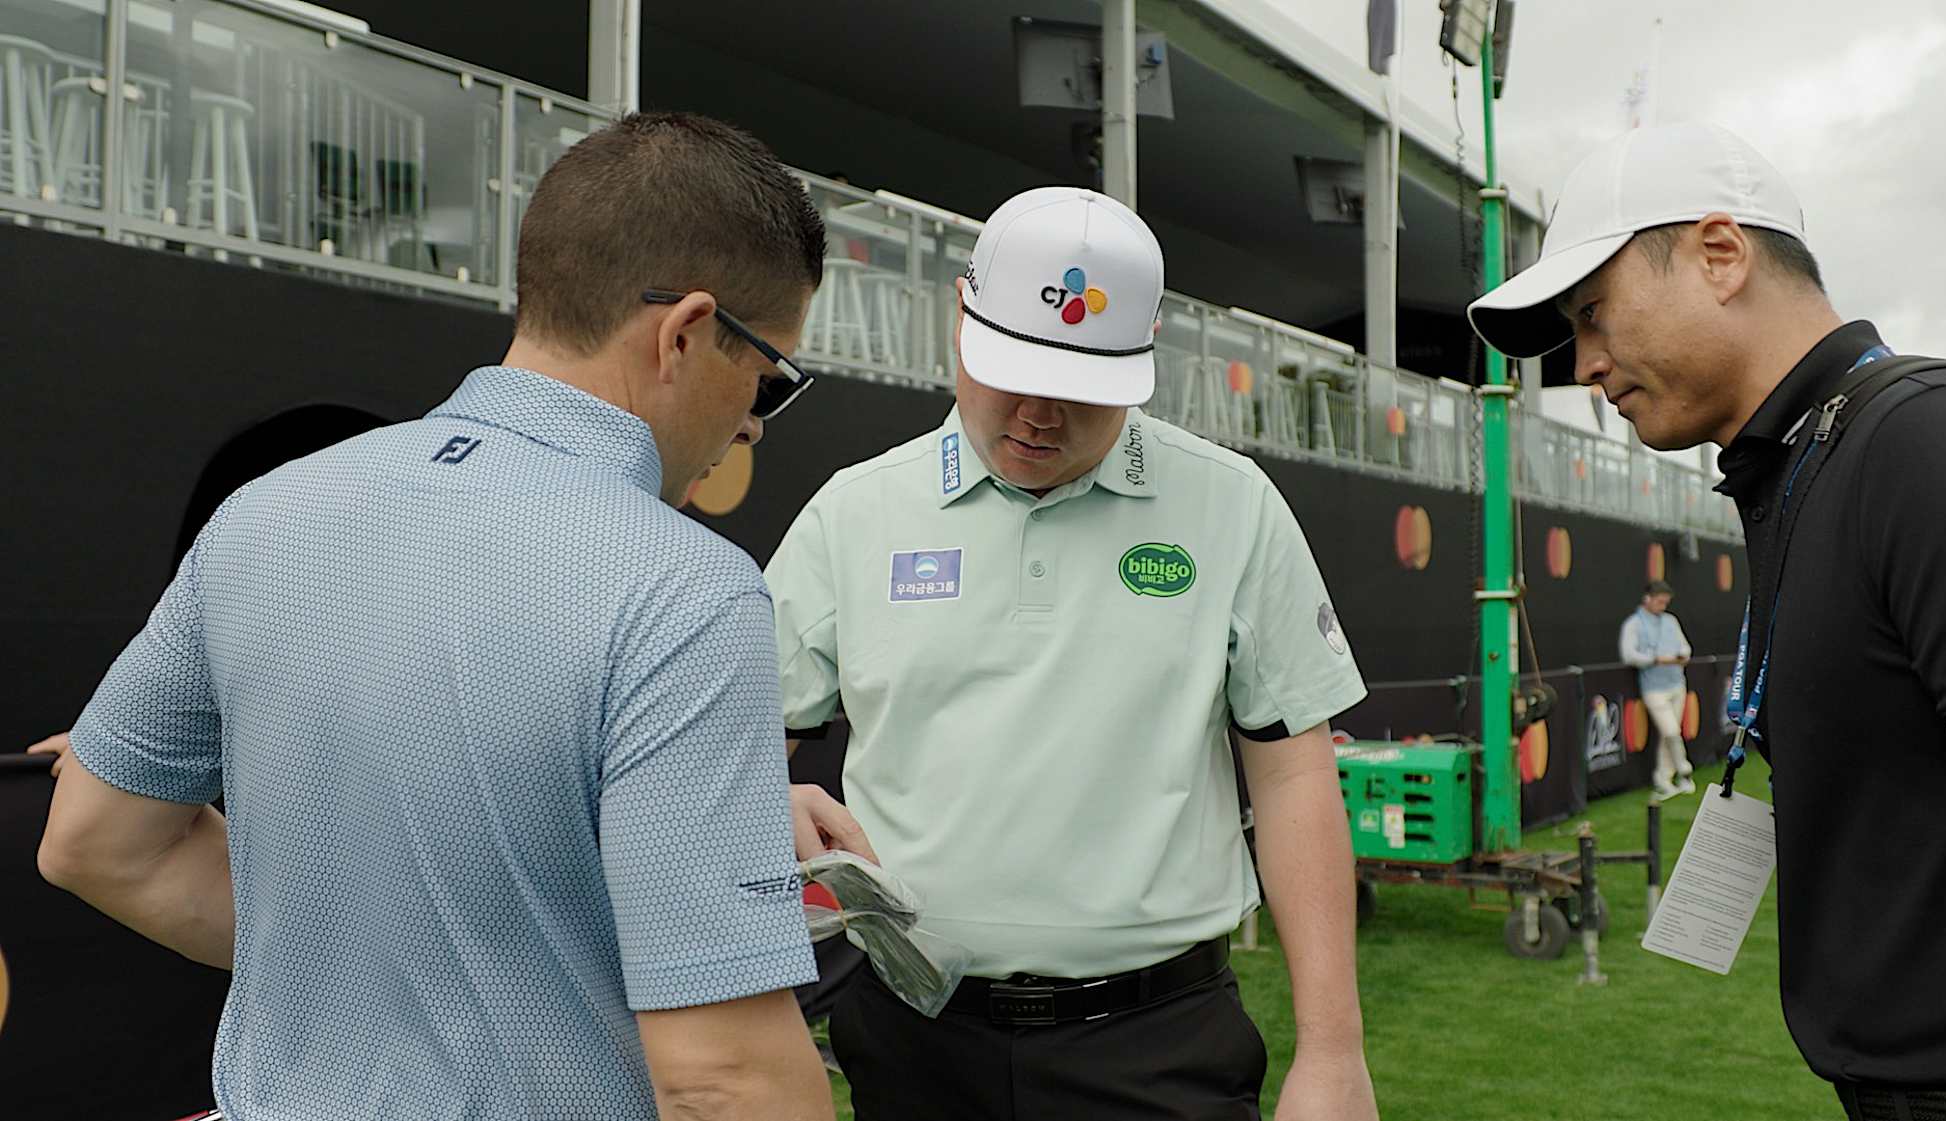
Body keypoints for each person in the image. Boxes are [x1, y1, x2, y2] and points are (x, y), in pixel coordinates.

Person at [34, 112, 834, 1121]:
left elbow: (98, 839)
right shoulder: (686, 590)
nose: (752, 421)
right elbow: (726, 1081)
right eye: (768, 377)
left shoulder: (266, 511)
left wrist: (390, 955)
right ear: (683, 332)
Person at [773, 185, 1377, 1121]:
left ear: (1145, 358)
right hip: (910, 1041)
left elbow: (1295, 777)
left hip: (1159, 1046)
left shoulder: (1233, 504)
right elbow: (734, 759)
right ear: (960, 316)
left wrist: (1334, 1053)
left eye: (1082, 389)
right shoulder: (853, 512)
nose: (1039, 414)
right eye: (1012, 369)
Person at [1469, 121, 1946, 1119]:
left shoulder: (1921, 442)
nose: (1581, 364)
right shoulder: (1812, 465)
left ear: (1720, 254)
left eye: (1594, 314)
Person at [1618, 579, 1694, 798]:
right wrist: (1654, 659)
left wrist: (1682, 655)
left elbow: (1685, 646)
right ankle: (1685, 771)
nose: (1663, 606)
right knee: (1671, 731)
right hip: (1654, 688)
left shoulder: (1671, 620)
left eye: (1666, 602)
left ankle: (1664, 779)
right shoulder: (1633, 624)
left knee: (1669, 735)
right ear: (1647, 599)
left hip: (1677, 683)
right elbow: (1628, 654)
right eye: (1660, 602)